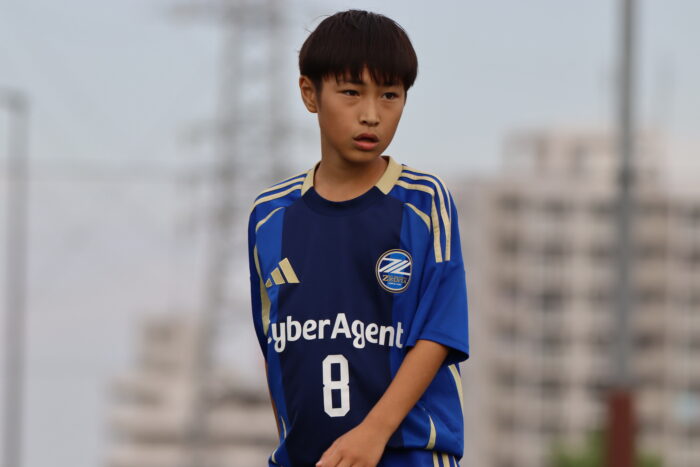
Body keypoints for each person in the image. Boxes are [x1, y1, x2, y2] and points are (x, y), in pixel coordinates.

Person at [248, 9, 470, 467]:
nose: (371, 115)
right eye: (351, 92)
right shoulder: (270, 216)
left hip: (407, 455)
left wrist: (373, 433)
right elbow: (275, 347)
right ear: (310, 93)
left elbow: (438, 332)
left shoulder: (424, 202)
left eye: (390, 95)